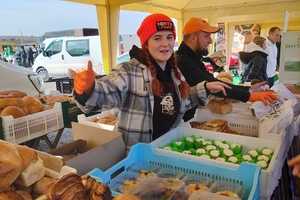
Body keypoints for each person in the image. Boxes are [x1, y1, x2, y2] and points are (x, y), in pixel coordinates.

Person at [70, 13, 278, 148]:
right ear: (146, 43)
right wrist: (87, 88)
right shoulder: (130, 70)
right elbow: (107, 92)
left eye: (169, 37)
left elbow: (181, 103)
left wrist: (205, 87)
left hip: (168, 148)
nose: (165, 44)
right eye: (157, 38)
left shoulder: (172, 71)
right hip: (137, 155)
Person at [176, 17, 276, 121]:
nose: (210, 41)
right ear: (193, 38)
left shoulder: (192, 58)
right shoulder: (183, 60)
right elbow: (213, 86)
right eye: (206, 36)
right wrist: (248, 95)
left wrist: (248, 90)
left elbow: (214, 83)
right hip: (181, 122)